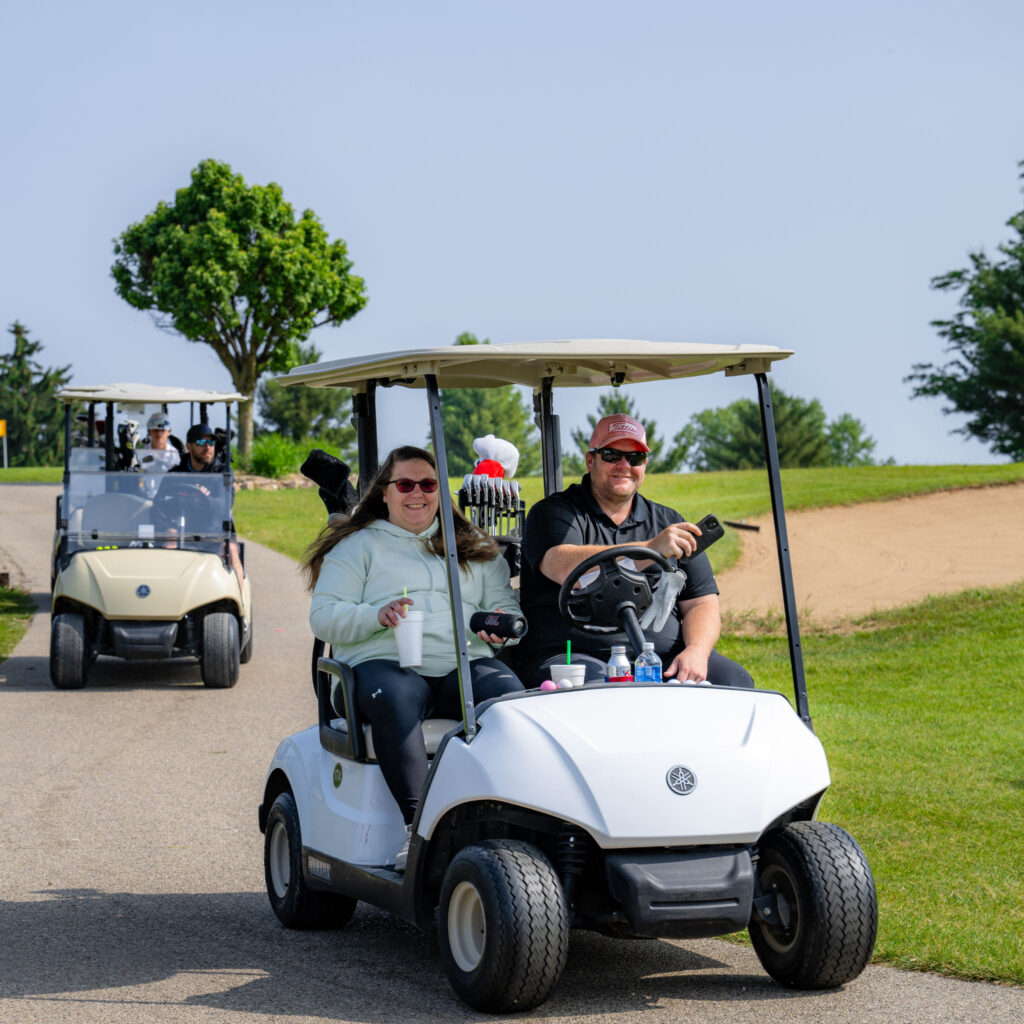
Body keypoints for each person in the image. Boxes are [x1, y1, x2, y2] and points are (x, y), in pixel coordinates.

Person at [303, 445, 524, 870]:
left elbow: (507, 611)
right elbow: (324, 617)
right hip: (381, 665)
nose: (417, 493)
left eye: (428, 484)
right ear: (385, 493)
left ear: (441, 491)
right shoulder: (357, 545)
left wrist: (498, 624)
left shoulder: (473, 547)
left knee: (509, 699)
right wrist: (375, 615)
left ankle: (503, 823)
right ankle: (419, 832)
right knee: (398, 694)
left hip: (461, 663)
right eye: (405, 485)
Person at [517, 414, 754, 688]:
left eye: (635, 458)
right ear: (590, 460)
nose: (624, 465)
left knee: (736, 681)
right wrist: (650, 549)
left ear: (645, 465)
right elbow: (563, 566)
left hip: (661, 658)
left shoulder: (668, 521)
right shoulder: (554, 513)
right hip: (576, 655)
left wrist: (696, 651)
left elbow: (701, 602)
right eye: (611, 455)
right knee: (607, 695)